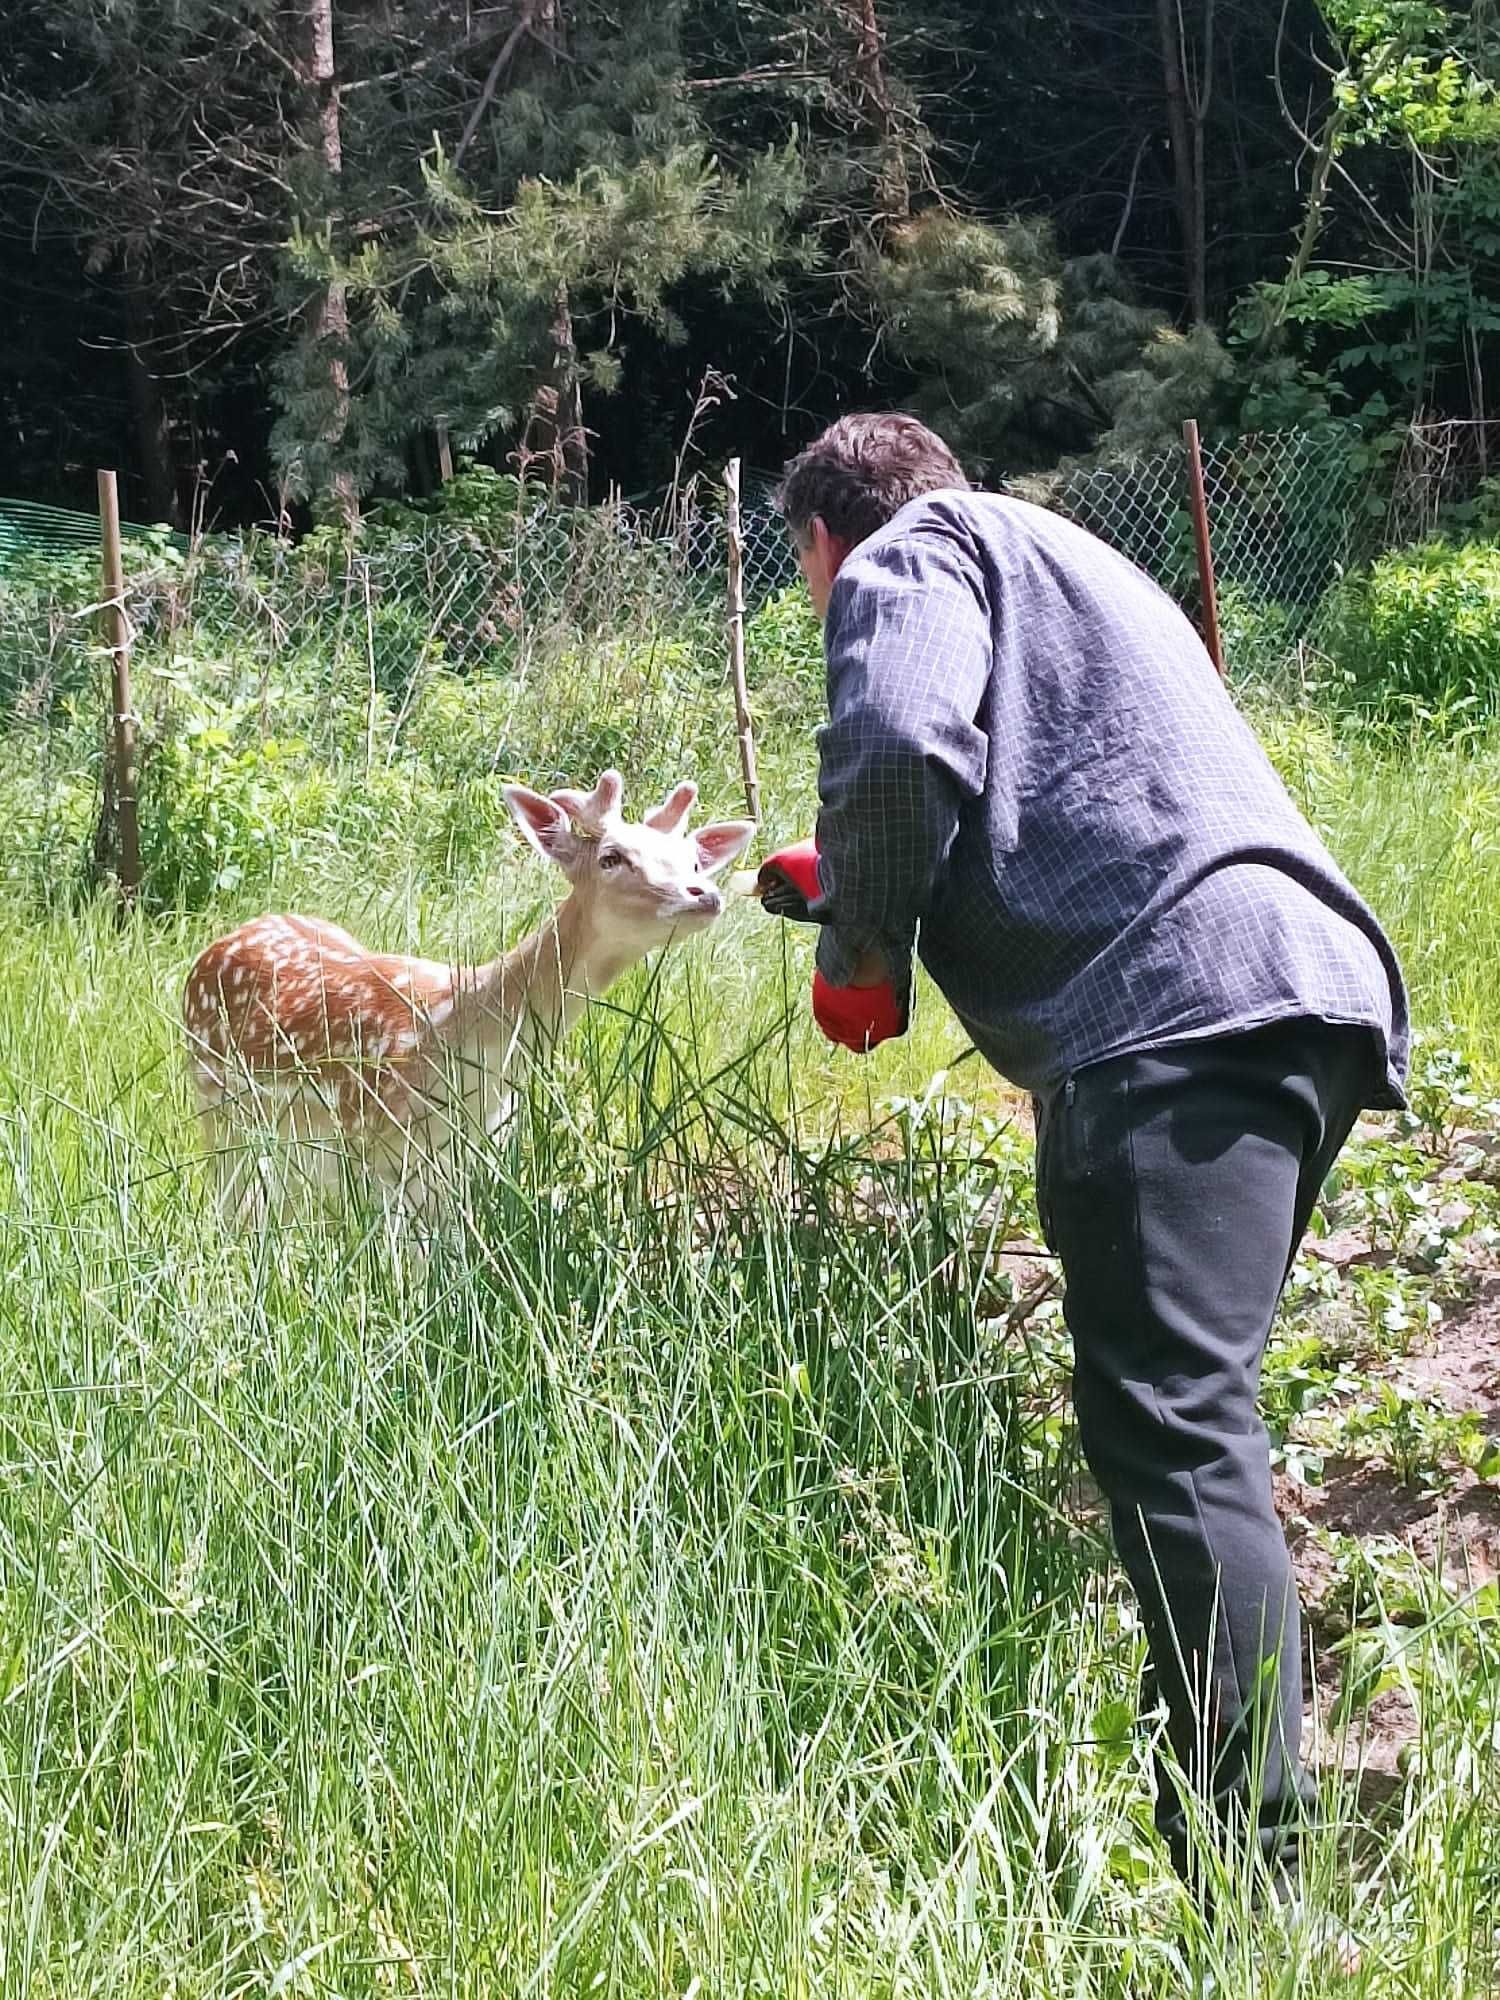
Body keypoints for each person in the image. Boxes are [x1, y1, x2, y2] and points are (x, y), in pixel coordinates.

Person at [757, 412, 1408, 1898]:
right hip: (1300, 988)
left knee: (1174, 1428)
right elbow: (1052, 781)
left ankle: (1254, 1894)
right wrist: (842, 871)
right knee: (1202, 1415)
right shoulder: (1068, 555)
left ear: (817, 540)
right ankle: (1267, 1822)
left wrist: (864, 945)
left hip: (1162, 1013)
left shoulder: (907, 551)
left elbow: (900, 739)